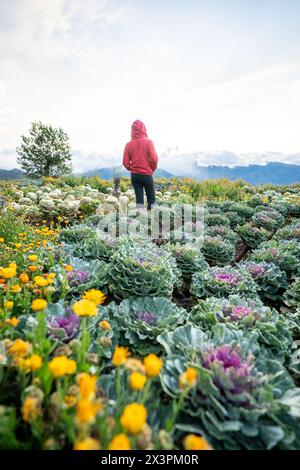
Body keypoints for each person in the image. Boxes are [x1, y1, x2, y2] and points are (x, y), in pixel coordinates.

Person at [123, 119, 158, 209]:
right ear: (143, 129)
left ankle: (139, 220)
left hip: (135, 176)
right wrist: (152, 169)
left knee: (139, 201)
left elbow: (125, 163)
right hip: (147, 175)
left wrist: (133, 168)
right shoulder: (148, 142)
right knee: (152, 200)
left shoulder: (128, 145)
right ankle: (152, 219)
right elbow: (154, 159)